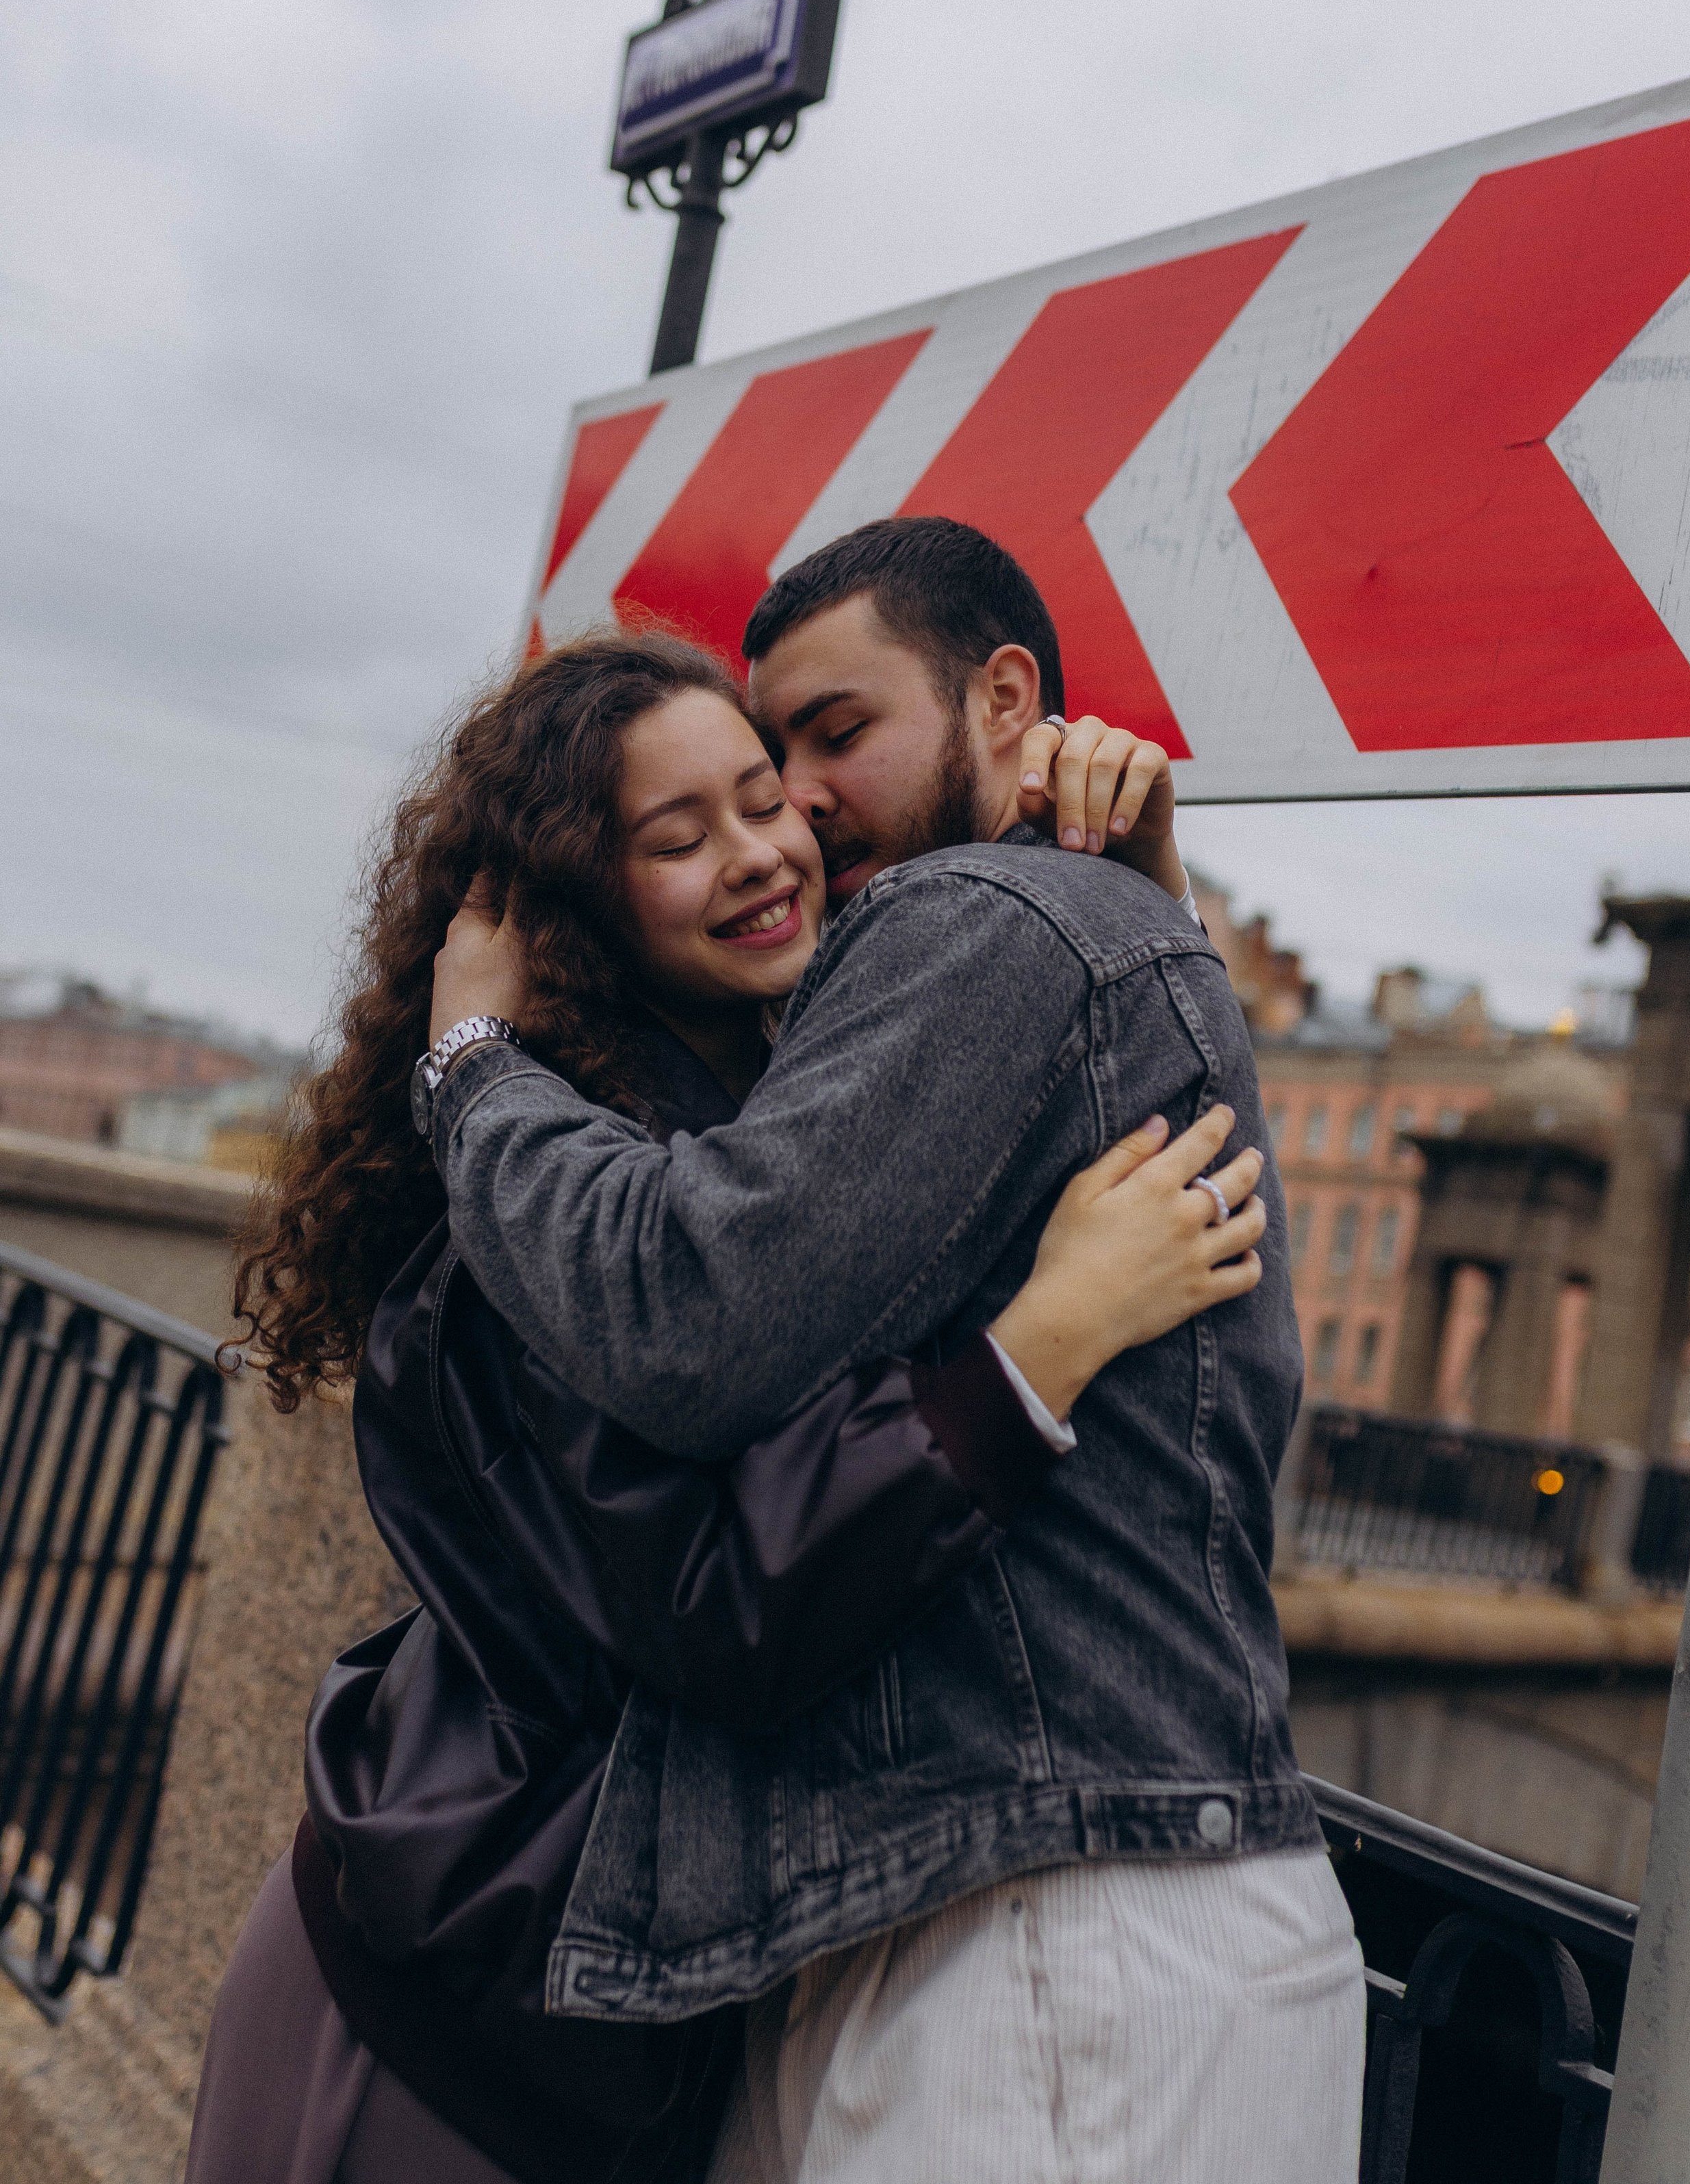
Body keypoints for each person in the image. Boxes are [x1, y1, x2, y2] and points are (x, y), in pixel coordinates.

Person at [190, 628, 1268, 2184]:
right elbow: (712, 1604)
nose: (760, 855)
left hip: (552, 1992)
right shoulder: (556, 1213)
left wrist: (1124, 880)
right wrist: (1038, 1345)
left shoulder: (757, 1127)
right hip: (450, 2014)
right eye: (675, 838)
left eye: (766, 800)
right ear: (577, 901)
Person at [424, 518, 1366, 2184]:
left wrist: (473, 1072)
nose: (799, 799)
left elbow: (682, 1310)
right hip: (1003, 1907)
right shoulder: (1027, 926)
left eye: (835, 734)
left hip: (1058, 1923)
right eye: (765, 757)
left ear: (1005, 696)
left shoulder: (987, 912)